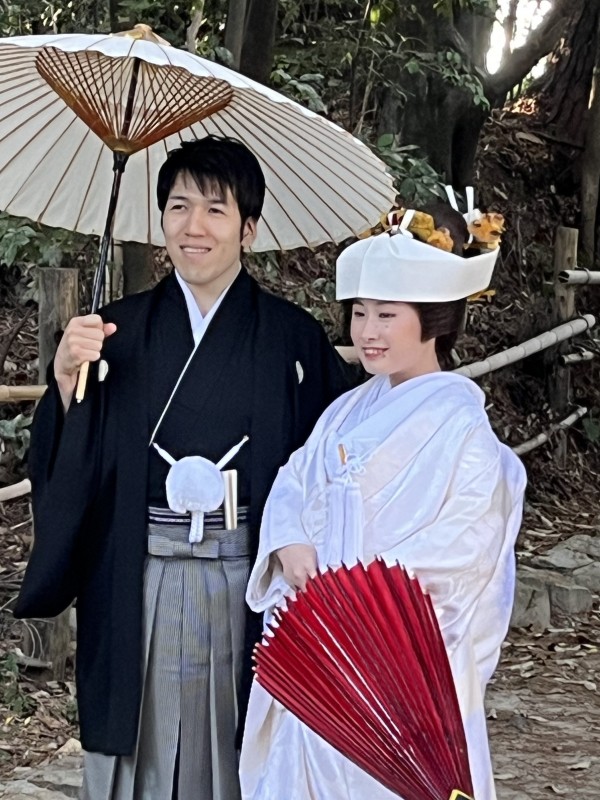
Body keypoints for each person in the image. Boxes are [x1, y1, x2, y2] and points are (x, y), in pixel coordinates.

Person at [14, 136, 353, 800]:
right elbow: (68, 468)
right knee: (137, 758)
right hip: (136, 576)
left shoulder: (294, 340)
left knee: (246, 746)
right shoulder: (113, 332)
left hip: (250, 578)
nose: (193, 227)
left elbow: (332, 472)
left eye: (215, 210)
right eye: (177, 207)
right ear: (160, 220)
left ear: (248, 229)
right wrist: (63, 379)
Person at [239, 206, 527, 800]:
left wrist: (363, 601)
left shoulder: (463, 430)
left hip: (396, 659)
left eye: (387, 315)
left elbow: (465, 550)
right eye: (361, 313)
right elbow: (294, 482)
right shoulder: (346, 411)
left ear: (435, 320)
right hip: (321, 648)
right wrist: (289, 542)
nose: (367, 331)